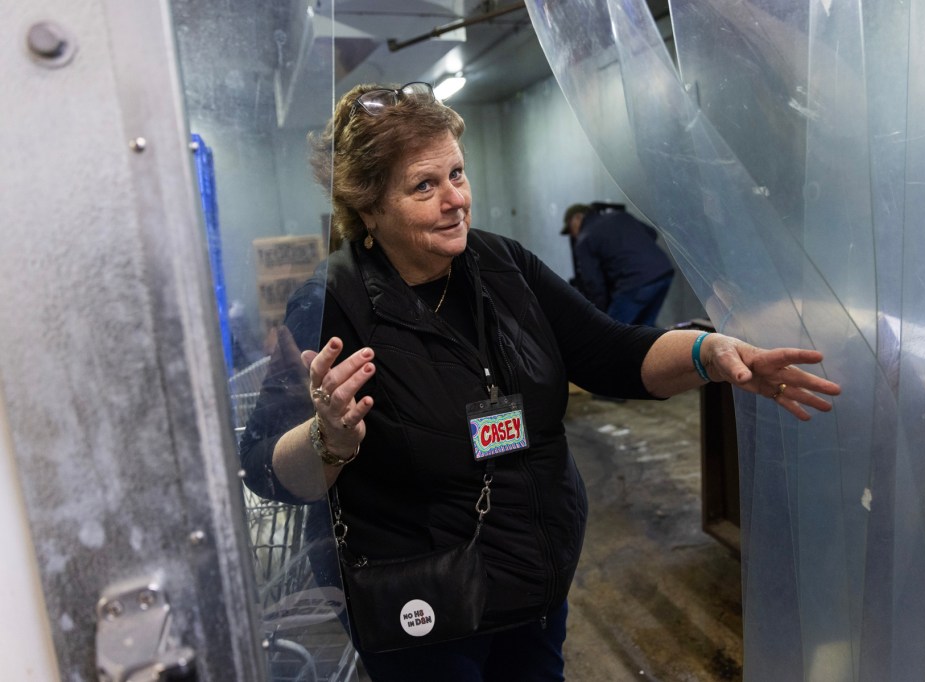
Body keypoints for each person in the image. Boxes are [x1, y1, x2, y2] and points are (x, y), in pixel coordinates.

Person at [239, 81, 841, 681]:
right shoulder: (329, 306)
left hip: (531, 585)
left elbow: (610, 351)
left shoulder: (501, 265)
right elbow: (267, 468)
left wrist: (713, 353)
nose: (455, 200)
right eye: (425, 185)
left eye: (457, 174)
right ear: (369, 206)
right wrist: (330, 437)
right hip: (423, 607)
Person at [562, 202, 675, 327]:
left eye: (570, 228)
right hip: (663, 271)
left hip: (635, 281)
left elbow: (593, 284)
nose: (572, 234)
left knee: (611, 333)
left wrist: (600, 315)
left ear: (578, 217)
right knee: (645, 331)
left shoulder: (585, 239)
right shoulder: (619, 216)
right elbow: (652, 233)